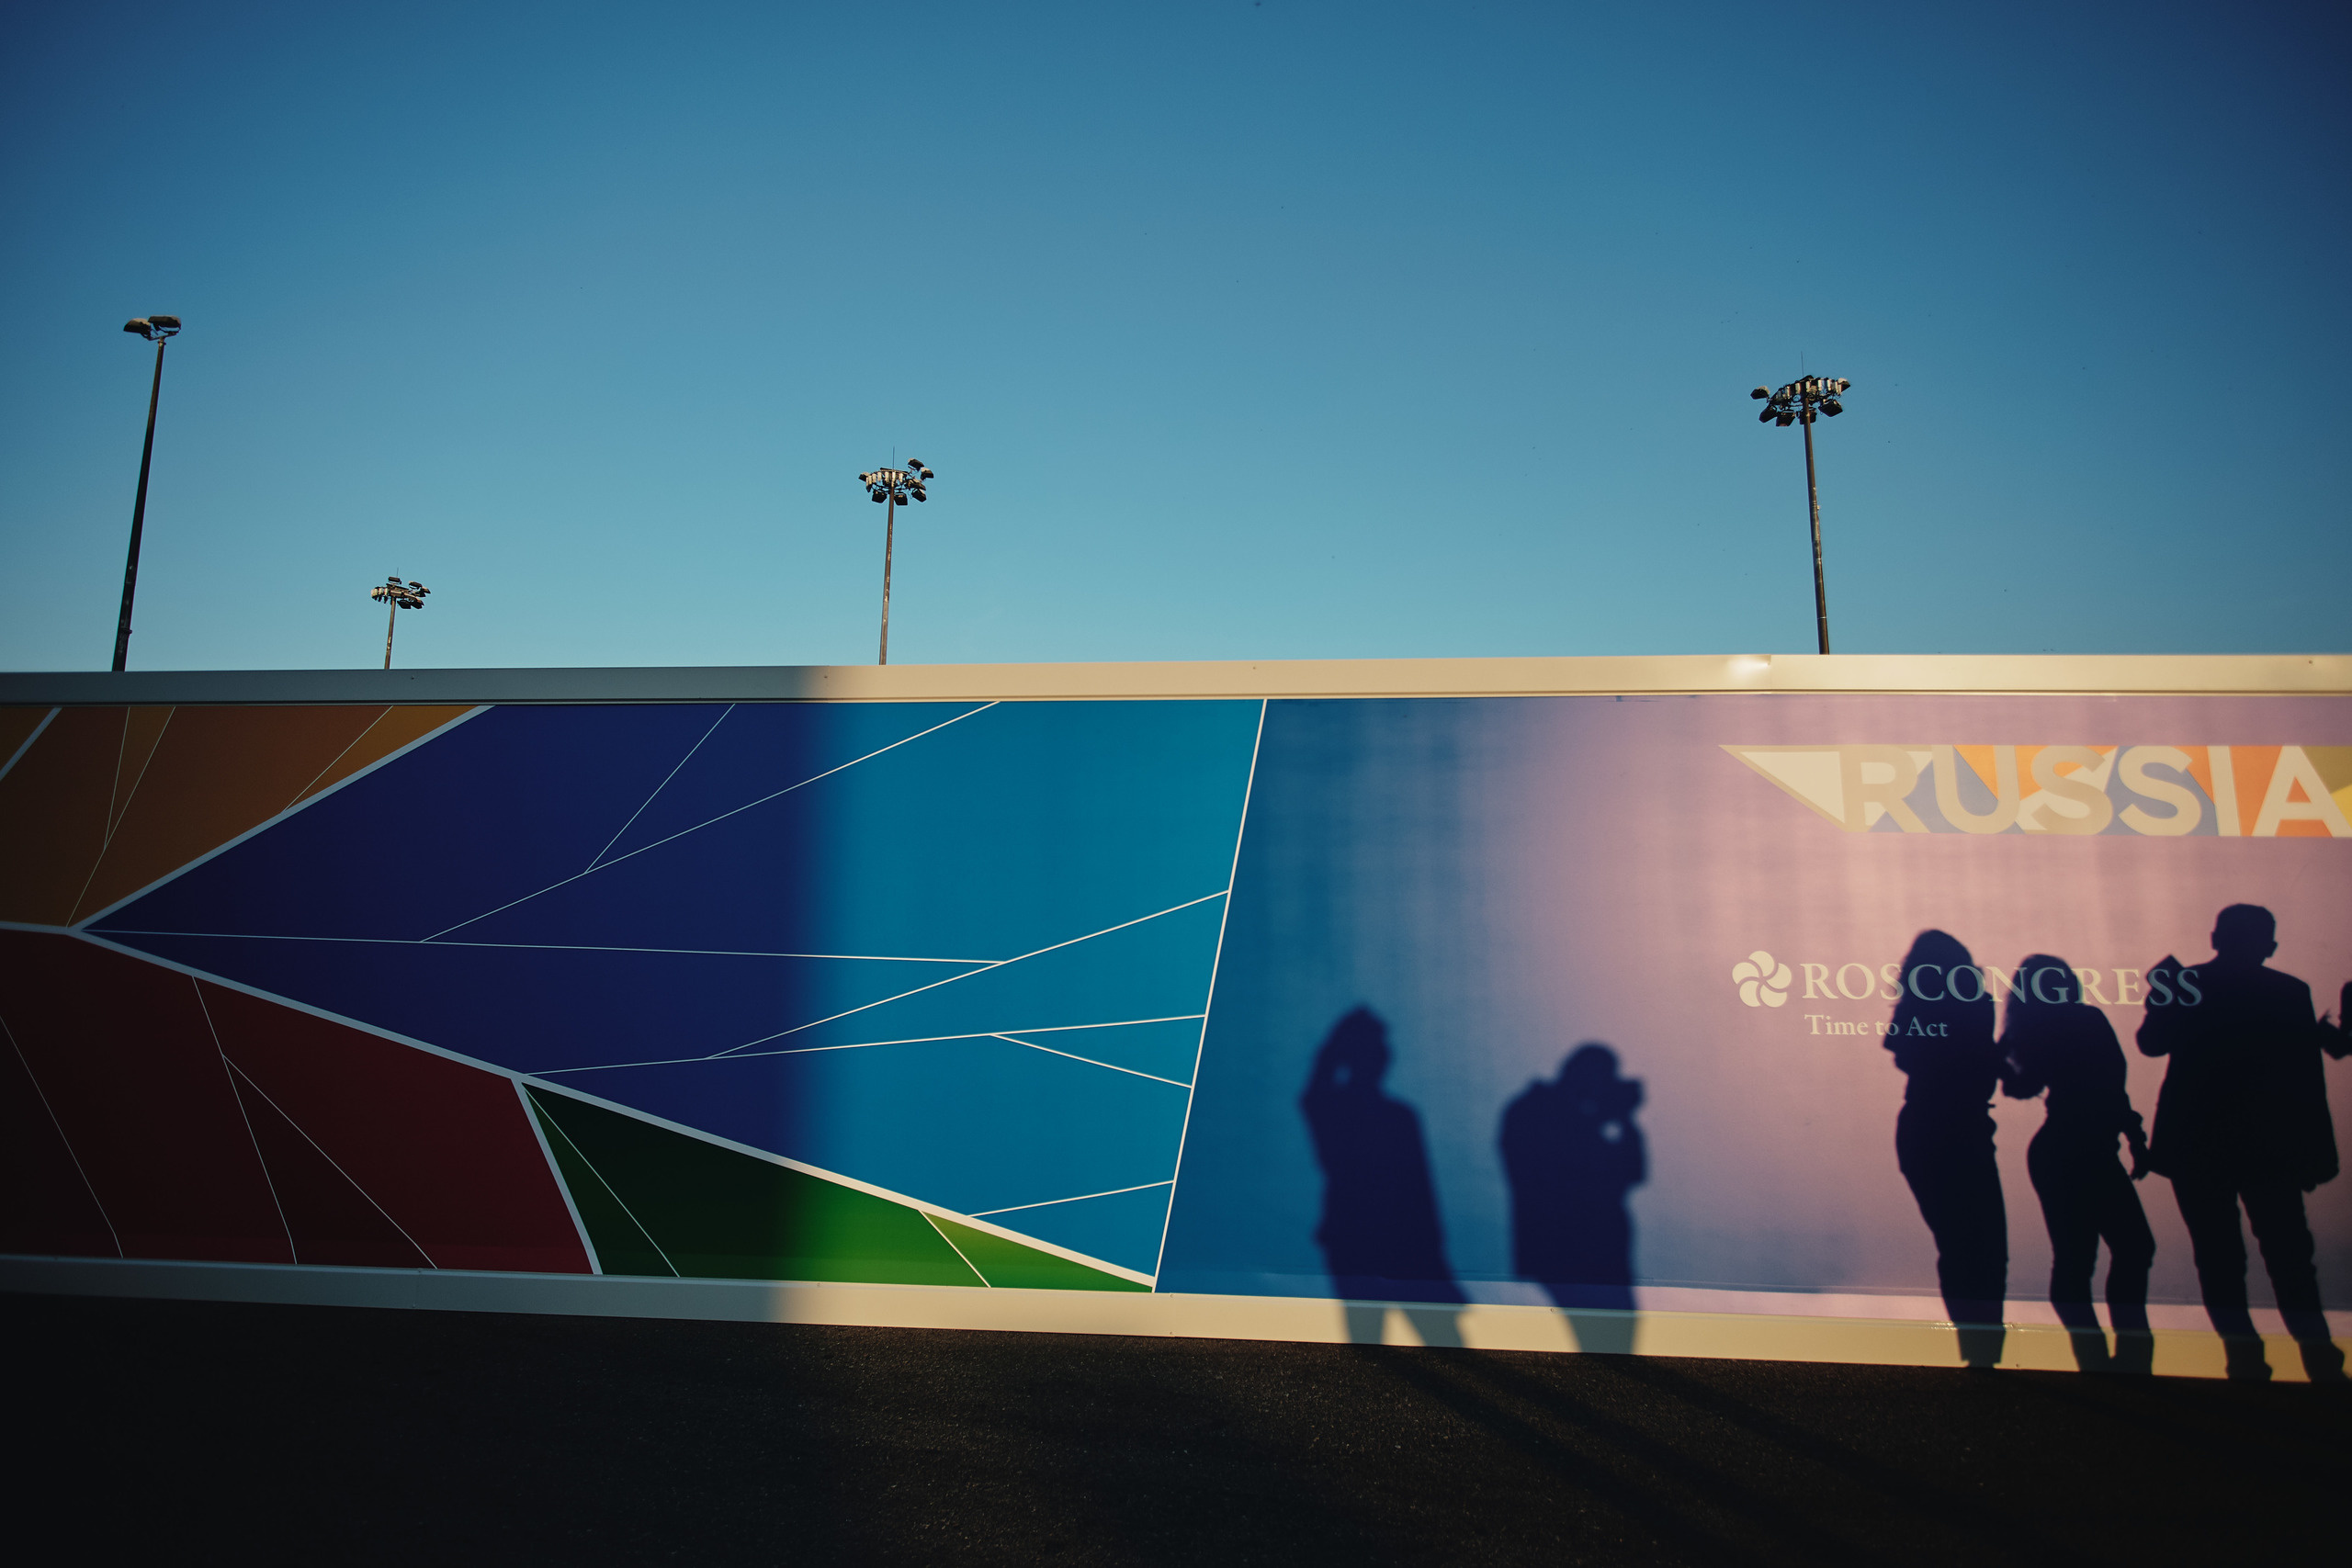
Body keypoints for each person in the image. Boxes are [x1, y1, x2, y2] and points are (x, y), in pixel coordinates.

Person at [2138, 905, 2344, 1381]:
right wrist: (2315, 1153)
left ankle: (2244, 1357)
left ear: (2215, 936)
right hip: (2269, 1146)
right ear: (2268, 946)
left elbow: (2151, 1043)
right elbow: (2306, 1081)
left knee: (2217, 1254)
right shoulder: (2290, 991)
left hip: (2196, 1143)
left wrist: (2161, 996)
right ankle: (2317, 1356)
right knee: (2291, 1255)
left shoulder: (2185, 982)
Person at [1999, 956, 2157, 1373]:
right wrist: (2135, 1138)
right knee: (2127, 1248)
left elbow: (2020, 1087)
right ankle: (2125, 1358)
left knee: (2080, 1257)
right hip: (2083, 1147)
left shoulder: (2038, 1028)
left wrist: (2000, 1054)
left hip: (2062, 1148)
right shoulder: (2088, 1020)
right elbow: (2112, 1088)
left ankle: (2101, 1358)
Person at [1299, 1007, 1463, 1345]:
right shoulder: (1343, 1110)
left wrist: (1434, 1250)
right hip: (1362, 1237)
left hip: (1395, 1240)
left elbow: (1421, 1190)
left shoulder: (1397, 1117)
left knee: (1430, 1339)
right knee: (1377, 1339)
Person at [1886, 930, 2007, 1366]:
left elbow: (1900, 1050)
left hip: (1930, 1127)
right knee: (1983, 1246)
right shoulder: (1976, 1002)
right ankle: (1983, 1354)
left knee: (1960, 1245)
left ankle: (1979, 1354)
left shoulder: (1929, 1005)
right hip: (1958, 1128)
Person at [1499, 1044, 1645, 1352]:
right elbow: (1563, 1176)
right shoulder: (1534, 1111)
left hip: (1598, 1255)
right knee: (1604, 1345)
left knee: (1614, 1342)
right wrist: (1607, 1117)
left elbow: (1633, 1172)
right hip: (1564, 1253)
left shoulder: (1580, 1117)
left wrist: (1623, 1120)